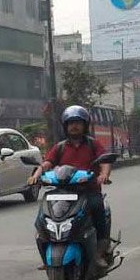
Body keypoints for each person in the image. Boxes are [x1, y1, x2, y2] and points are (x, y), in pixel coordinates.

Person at [30, 105, 114, 267]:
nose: (74, 126)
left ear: (84, 125)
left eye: (78, 123)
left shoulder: (92, 144)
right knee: (43, 216)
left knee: (98, 209)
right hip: (62, 191)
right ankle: (48, 247)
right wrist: (36, 175)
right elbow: (47, 163)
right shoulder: (60, 147)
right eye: (71, 123)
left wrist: (104, 175)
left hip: (88, 191)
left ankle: (100, 251)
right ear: (65, 126)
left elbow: (104, 161)